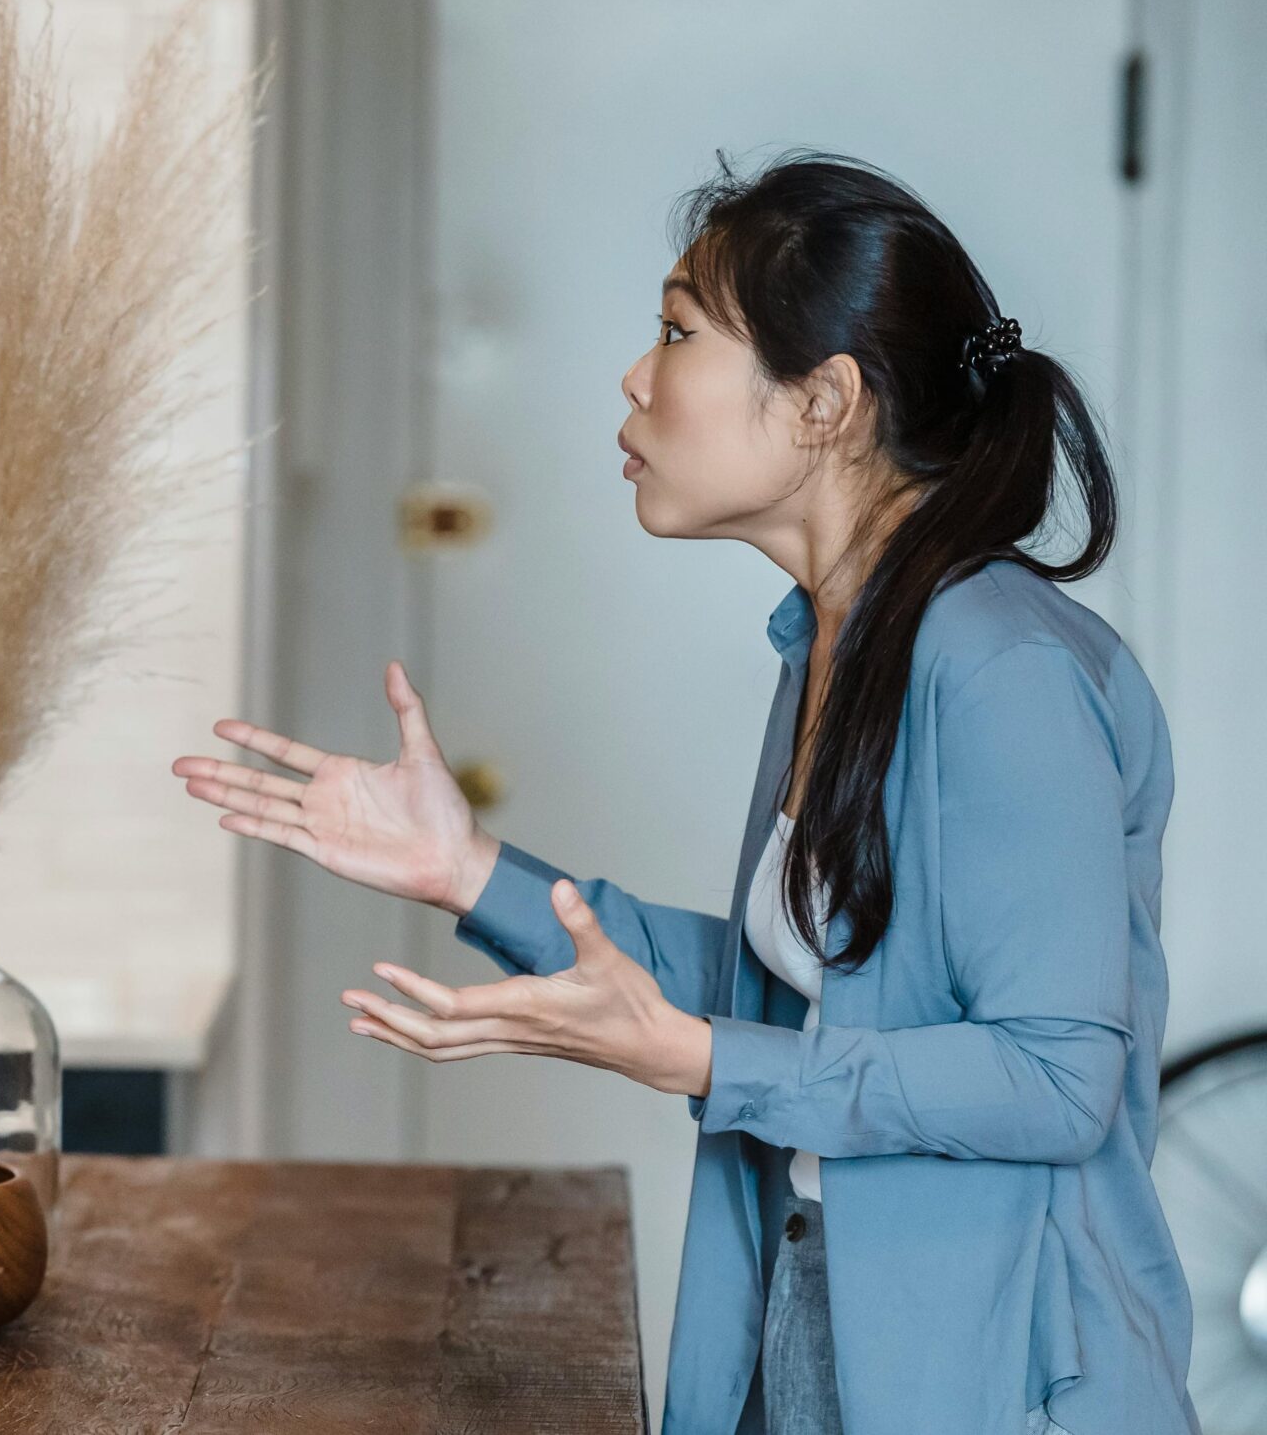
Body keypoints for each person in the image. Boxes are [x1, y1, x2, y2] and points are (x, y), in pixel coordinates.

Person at [175, 155, 1195, 1435]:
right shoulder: (834, 639)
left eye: (676, 331)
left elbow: (1052, 1080)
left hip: (995, 1368)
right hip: (814, 1293)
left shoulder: (1004, 670)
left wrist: (706, 1061)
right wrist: (468, 869)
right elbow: (802, 999)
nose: (634, 374)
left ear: (823, 400)